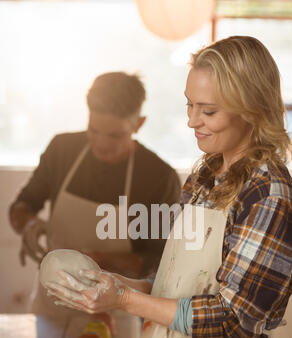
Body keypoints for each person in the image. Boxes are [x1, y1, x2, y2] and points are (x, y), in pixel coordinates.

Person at [44, 36, 292, 338]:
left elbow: (231, 320)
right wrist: (108, 282)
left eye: (208, 110)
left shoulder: (270, 196)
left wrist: (124, 300)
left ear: (251, 109)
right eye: (189, 105)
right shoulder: (204, 176)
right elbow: (170, 284)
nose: (191, 121)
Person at [9, 71, 181, 314]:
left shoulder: (159, 177)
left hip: (119, 307)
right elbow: (23, 205)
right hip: (53, 298)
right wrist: (27, 225)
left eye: (114, 135)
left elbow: (161, 259)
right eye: (94, 130)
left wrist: (100, 261)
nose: (101, 143)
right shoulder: (62, 150)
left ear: (138, 124)